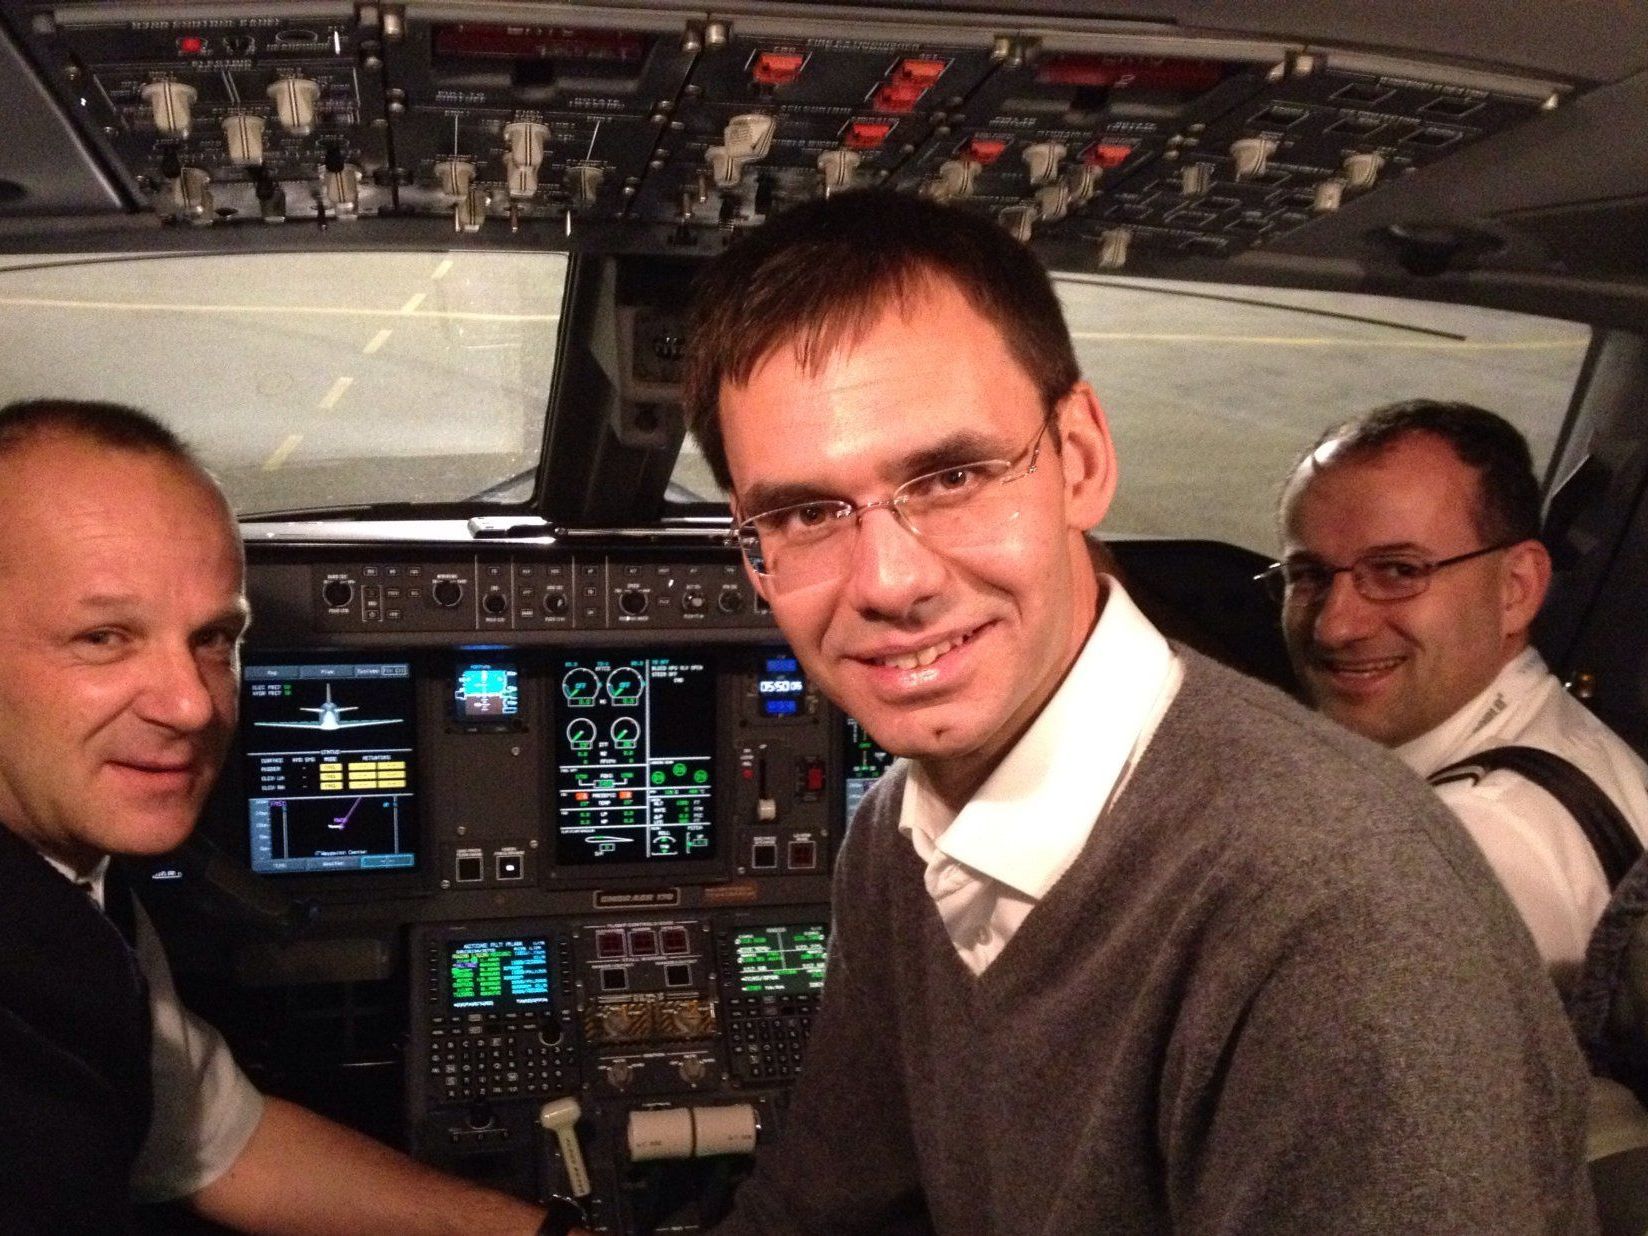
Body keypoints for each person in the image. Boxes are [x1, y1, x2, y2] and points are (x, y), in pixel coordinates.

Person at [678, 191, 1597, 1234]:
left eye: (951, 476)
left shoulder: (1337, 918)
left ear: (1080, 457)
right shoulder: (896, 836)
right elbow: (820, 1214)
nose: (888, 581)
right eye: (802, 513)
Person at [0, 399, 576, 1234]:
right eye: (103, 638)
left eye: (213, 638)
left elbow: (224, 1142)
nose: (193, 705)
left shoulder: (75, 888)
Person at [1273, 400, 1648, 988]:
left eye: (1398, 571)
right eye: (1308, 575)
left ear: (1517, 589)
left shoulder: (1454, 857)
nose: (1334, 626)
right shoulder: (1573, 745)